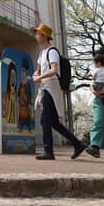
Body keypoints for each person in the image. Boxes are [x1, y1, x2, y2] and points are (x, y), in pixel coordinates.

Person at [32, 23, 87, 160]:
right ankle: (77, 144)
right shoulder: (41, 53)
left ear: (44, 36)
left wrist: (39, 77)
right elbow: (38, 70)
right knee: (53, 121)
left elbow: (54, 70)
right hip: (45, 87)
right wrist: (36, 75)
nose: (36, 36)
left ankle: (48, 151)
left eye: (38, 34)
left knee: (45, 119)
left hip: (52, 86)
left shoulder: (52, 51)